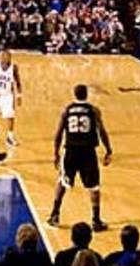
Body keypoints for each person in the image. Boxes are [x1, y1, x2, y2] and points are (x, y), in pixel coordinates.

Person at [47, 84, 112, 231]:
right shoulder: (94, 110)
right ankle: (96, 220)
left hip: (71, 150)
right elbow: (102, 131)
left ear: (74, 95)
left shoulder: (67, 110)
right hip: (88, 152)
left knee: (62, 181)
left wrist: (55, 152)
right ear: (86, 94)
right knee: (94, 186)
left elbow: (58, 133)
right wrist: (108, 149)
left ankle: (55, 215)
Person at [0, 49, 22, 147]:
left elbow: (18, 82)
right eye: (4, 56)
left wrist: (18, 95)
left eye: (8, 57)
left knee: (10, 116)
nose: (5, 58)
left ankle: (10, 136)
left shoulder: (14, 68)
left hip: (7, 96)